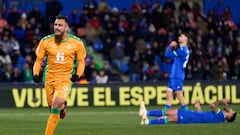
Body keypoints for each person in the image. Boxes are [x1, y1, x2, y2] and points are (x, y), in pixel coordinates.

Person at [33, 15, 86, 135]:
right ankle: (62, 109)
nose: (57, 27)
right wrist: (36, 74)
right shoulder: (45, 41)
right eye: (55, 25)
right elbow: (38, 60)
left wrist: (77, 74)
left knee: (56, 104)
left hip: (65, 78)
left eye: (60, 25)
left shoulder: (76, 43)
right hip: (49, 77)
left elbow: (81, 61)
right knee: (53, 106)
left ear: (66, 28)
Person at [139, 98, 236, 125]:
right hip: (194, 115)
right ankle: (146, 114)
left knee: (170, 117)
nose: (231, 109)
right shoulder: (220, 117)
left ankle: (147, 121)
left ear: (230, 116)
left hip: (192, 118)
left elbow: (212, 105)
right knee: (170, 112)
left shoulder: (221, 116)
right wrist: (199, 107)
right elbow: (204, 117)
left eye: (232, 111)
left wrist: (221, 101)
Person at [164, 33, 190, 110]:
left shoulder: (184, 50)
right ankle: (166, 113)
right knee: (168, 94)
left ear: (186, 40)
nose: (179, 37)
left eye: (181, 36)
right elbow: (167, 54)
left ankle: (186, 112)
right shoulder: (179, 50)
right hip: (174, 74)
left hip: (178, 75)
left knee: (178, 94)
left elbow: (168, 54)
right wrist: (171, 46)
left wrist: (171, 46)